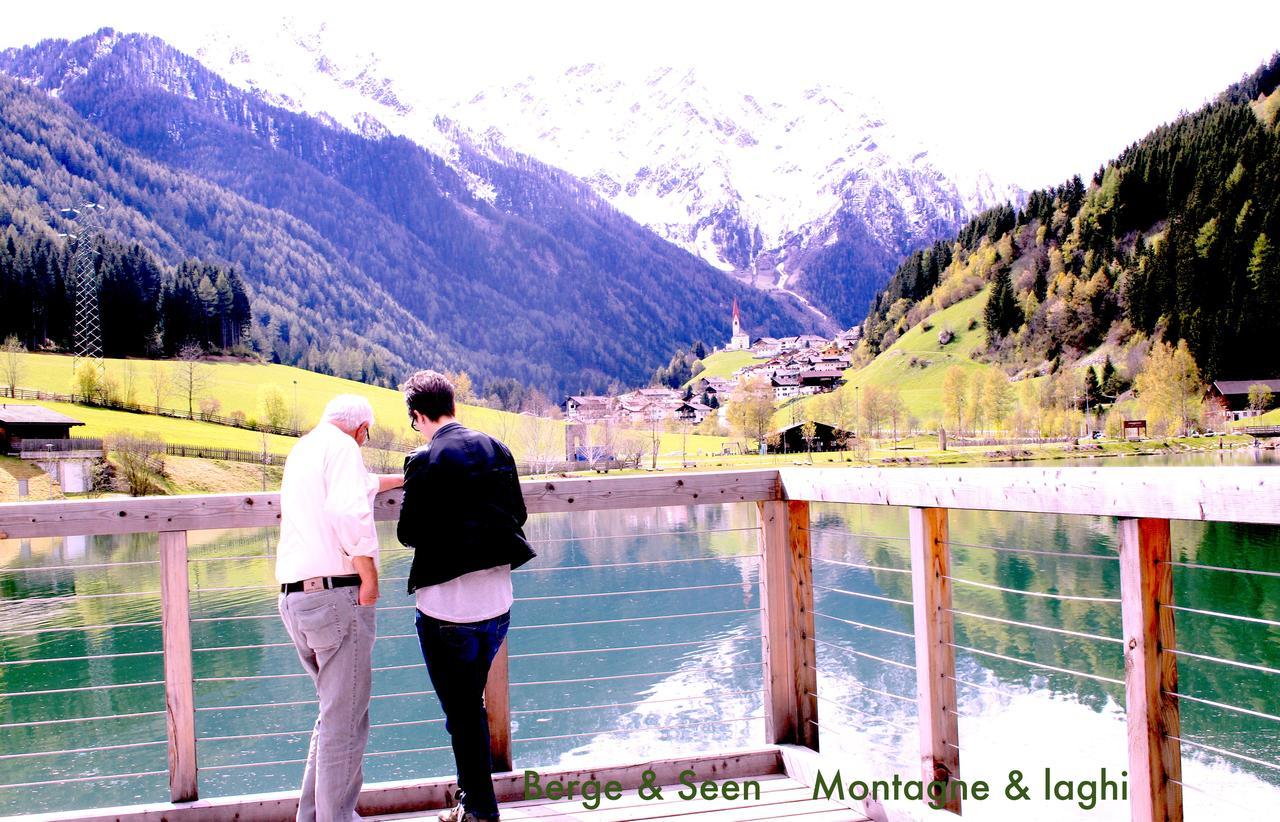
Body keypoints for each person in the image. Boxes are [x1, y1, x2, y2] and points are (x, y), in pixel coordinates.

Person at [396, 371, 535, 822]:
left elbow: (408, 533)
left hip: (447, 611)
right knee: (466, 708)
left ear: (417, 416)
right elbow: (517, 513)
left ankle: (480, 810)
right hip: (497, 605)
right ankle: (473, 803)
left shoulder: (423, 460)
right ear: (452, 404)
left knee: (462, 712)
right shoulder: (498, 448)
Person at [276, 394, 403, 821]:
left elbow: (361, 486)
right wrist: (369, 576)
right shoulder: (345, 449)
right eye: (367, 435)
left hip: (296, 598)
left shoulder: (306, 449)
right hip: (336, 597)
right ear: (361, 428)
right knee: (346, 721)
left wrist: (402, 476)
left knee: (333, 713)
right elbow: (350, 513)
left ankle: (313, 818)